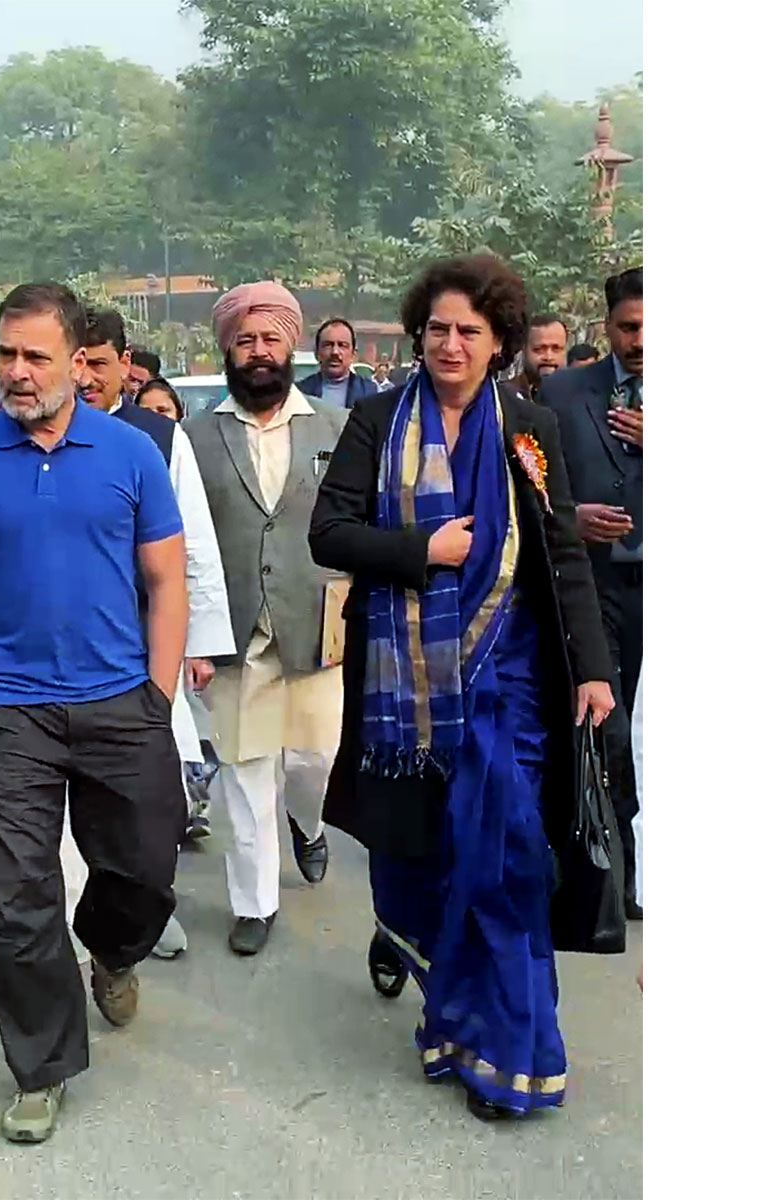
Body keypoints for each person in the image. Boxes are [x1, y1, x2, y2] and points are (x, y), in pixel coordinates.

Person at [308, 253, 616, 1121]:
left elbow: (559, 554)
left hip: (508, 684)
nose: (450, 344)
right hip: (404, 697)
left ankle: (507, 1053)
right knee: (423, 872)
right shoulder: (376, 422)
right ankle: (451, 1018)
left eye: (468, 332)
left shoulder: (529, 428)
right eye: (437, 329)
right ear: (419, 334)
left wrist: (591, 667)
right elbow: (328, 534)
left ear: (499, 342)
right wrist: (421, 551)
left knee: (506, 865)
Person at [0, 282, 189, 1144]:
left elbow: (167, 579)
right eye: (10, 354)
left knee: (144, 866)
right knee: (19, 900)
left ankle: (109, 948)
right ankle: (41, 1069)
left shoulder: (132, 451)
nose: (19, 372)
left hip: (120, 703)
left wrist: (159, 694)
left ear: (80, 360)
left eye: (38, 355)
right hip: (8, 710)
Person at [182, 283, 349, 956]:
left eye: (270, 339)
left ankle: (307, 824)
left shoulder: (337, 430)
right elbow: (184, 542)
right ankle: (254, 903)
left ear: (292, 345)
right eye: (244, 340)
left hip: (316, 627)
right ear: (227, 349)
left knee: (316, 760)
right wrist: (190, 635)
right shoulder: (192, 438)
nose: (258, 352)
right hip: (236, 633)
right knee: (245, 770)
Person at [78, 306, 235, 957]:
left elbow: (193, 546)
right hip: (62, 651)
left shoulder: (157, 440)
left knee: (150, 799)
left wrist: (199, 643)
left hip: (146, 647)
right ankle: (82, 923)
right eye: (76, 361)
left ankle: (144, 913)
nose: (85, 377)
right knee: (77, 804)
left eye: (99, 363)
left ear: (127, 368)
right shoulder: (26, 437)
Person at [539, 265, 644, 920]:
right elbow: (530, 485)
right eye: (630, 328)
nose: (643, 341)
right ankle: (616, 857)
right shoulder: (563, 391)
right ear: (606, 328)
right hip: (595, 583)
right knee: (610, 722)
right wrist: (569, 517)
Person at [298, 317, 379, 409]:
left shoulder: (371, 393)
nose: (335, 352)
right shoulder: (299, 393)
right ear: (317, 353)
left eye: (342, 345)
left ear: (353, 354)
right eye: (328, 345)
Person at [516, 312, 569, 401]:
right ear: (524, 349)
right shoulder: (506, 396)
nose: (548, 357)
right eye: (539, 349)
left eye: (556, 349)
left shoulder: (582, 395)